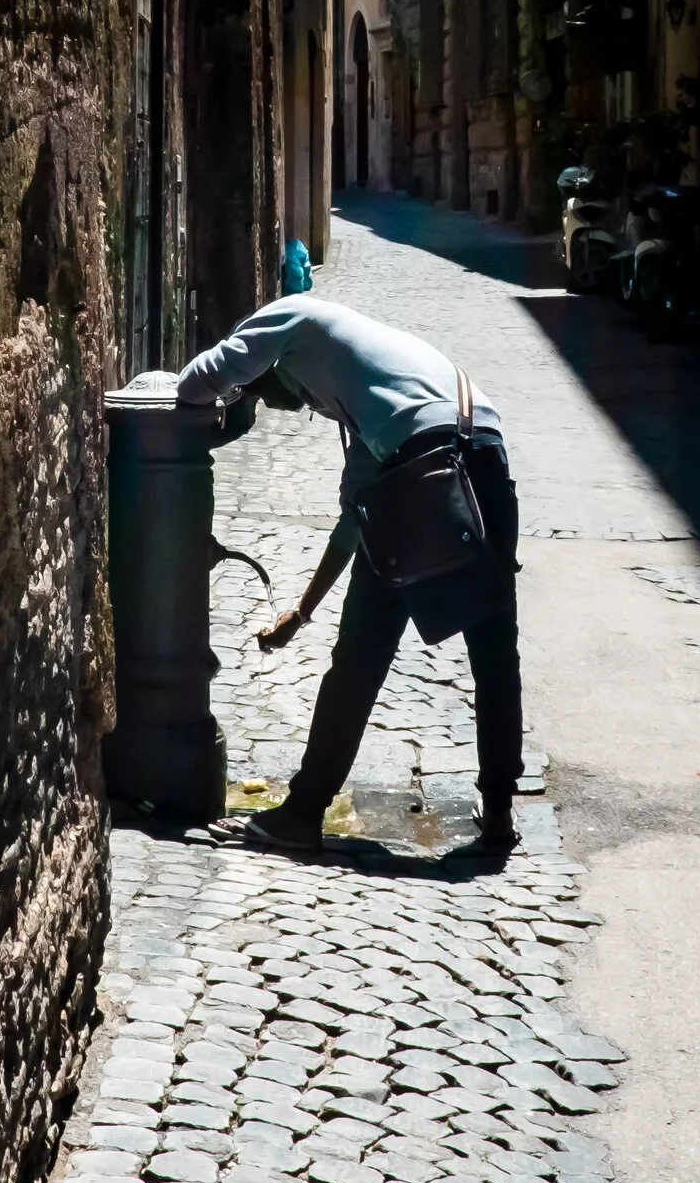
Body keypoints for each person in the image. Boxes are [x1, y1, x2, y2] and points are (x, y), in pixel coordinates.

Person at [175, 294, 521, 860]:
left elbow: (199, 380)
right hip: (483, 454)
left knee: (360, 656)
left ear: (275, 361)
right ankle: (500, 814)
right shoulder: (372, 385)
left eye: (268, 390)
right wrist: (303, 611)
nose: (281, 405)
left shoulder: (292, 317)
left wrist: (197, 400)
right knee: (494, 649)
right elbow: (354, 521)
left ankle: (303, 811)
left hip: (424, 466)